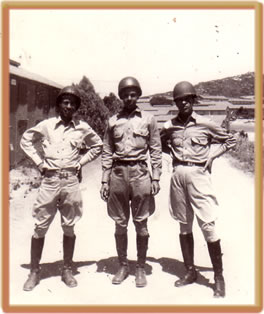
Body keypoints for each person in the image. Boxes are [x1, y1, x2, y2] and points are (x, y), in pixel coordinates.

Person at [20, 86, 103, 291]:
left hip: (71, 181)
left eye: (73, 103)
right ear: (59, 105)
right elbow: (25, 140)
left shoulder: (82, 127)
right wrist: (40, 163)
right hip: (50, 180)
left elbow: (98, 145)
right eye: (65, 102)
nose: (69, 106)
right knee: (40, 226)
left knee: (69, 225)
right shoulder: (47, 125)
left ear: (76, 107)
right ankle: (34, 271)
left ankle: (67, 269)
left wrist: (81, 162)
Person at [160, 81, 236, 298]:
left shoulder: (205, 124)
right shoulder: (170, 125)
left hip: (199, 177)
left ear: (193, 100)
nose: (183, 102)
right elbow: (159, 141)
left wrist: (211, 156)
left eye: (187, 99)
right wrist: (171, 155)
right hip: (178, 176)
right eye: (179, 100)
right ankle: (190, 271)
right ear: (175, 102)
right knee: (184, 226)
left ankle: (219, 277)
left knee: (208, 224)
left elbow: (229, 140)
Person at [100, 77, 162, 287]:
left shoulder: (148, 120)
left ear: (138, 95)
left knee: (141, 223)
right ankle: (123, 265)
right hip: (118, 174)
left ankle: (141, 268)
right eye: (125, 94)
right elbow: (107, 150)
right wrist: (104, 181)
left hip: (140, 173)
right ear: (120, 97)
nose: (129, 97)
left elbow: (155, 149)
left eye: (133, 94)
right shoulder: (112, 121)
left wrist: (156, 177)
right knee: (119, 223)